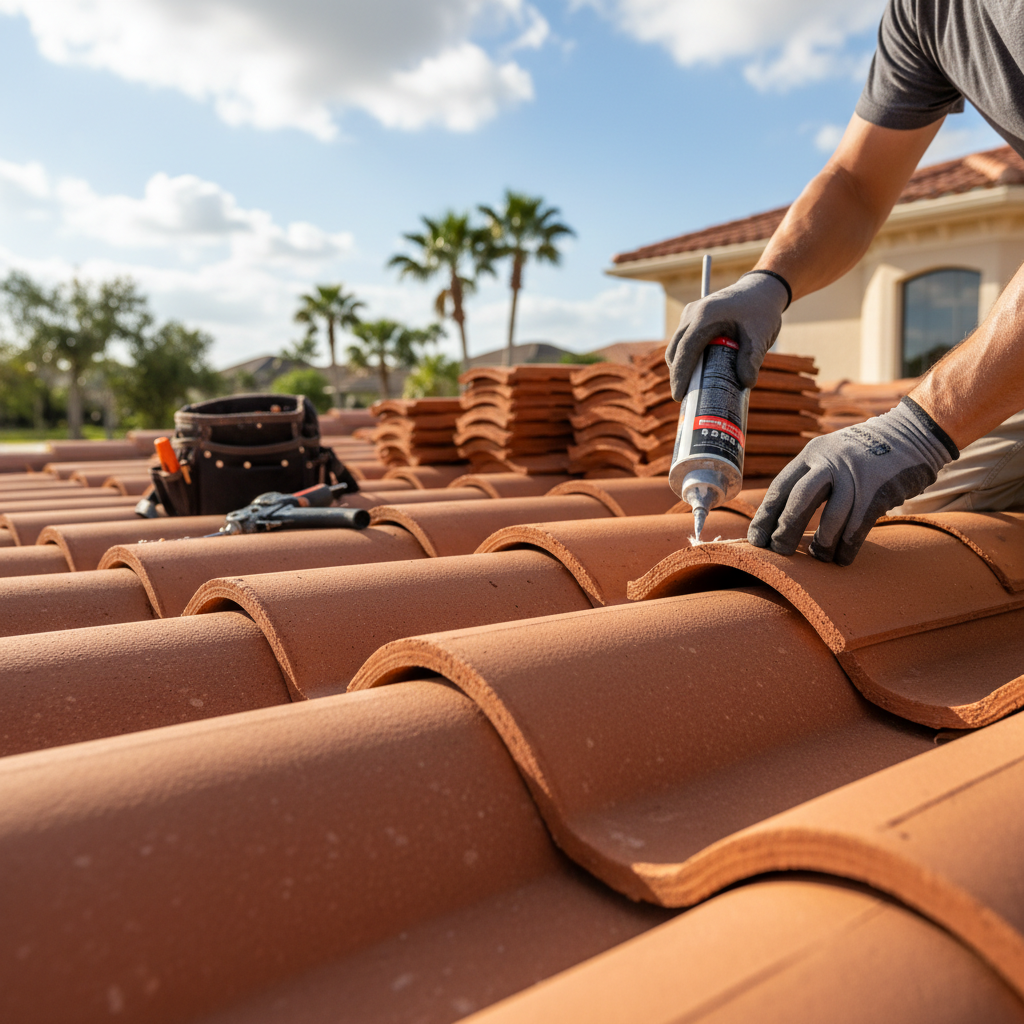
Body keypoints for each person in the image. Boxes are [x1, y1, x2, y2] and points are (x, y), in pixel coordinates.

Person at [667, 0, 1024, 566]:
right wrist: (770, 282)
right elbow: (857, 183)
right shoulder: (925, 13)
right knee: (921, 521)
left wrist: (916, 429)